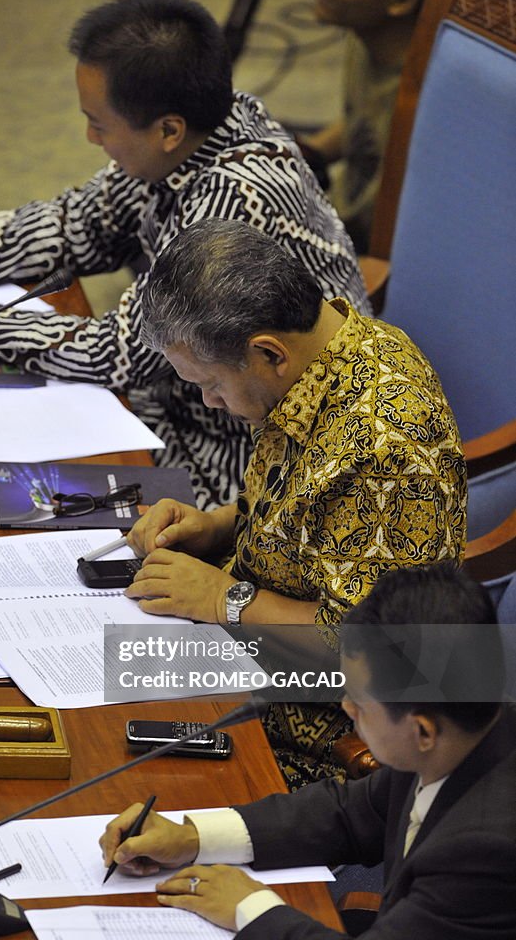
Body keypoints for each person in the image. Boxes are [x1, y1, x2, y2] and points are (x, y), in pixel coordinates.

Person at [0, 0, 368, 511]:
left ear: (168, 129)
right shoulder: (203, 132)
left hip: (243, 454)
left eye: (100, 124)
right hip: (180, 402)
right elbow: (81, 221)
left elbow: (119, 354)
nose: (89, 137)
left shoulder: (230, 205)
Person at [123, 216, 466, 786]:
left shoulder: (388, 447)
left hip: (306, 733)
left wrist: (222, 599)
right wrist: (216, 526)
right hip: (236, 659)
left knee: (112, 776)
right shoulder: (325, 352)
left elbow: (375, 658)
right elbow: (307, 509)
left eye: (211, 383)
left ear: (269, 352)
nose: (209, 402)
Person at [100, 564, 516, 940]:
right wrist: (192, 835)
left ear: (423, 731)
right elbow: (348, 814)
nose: (345, 706)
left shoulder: (485, 850)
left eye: (359, 702)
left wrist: (250, 908)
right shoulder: (467, 725)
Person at [298, 0, 430, 252]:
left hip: (361, 252)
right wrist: (306, 153)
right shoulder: (367, 37)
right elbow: (363, 120)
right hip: (339, 221)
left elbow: (379, 234)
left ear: (401, 1)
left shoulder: (422, 106)